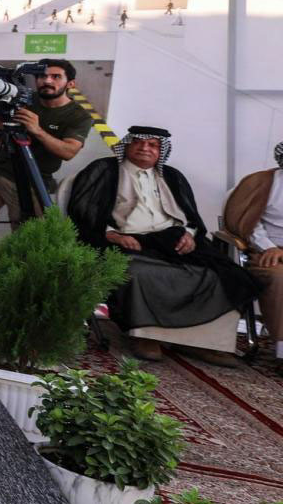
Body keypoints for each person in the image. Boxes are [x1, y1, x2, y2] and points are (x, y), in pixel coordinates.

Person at [67, 126, 260, 364]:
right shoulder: (104, 170)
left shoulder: (172, 176)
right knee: (140, 271)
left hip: (172, 240)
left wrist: (189, 234)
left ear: (161, 151)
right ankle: (146, 336)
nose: (145, 148)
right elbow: (82, 211)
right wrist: (112, 235)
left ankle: (203, 342)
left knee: (226, 275)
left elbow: (191, 217)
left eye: (153, 145)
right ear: (127, 145)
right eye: (138, 142)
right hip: (126, 240)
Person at [0, 59, 92, 280]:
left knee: (26, 237)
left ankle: (18, 285)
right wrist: (7, 121)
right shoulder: (24, 98)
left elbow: (68, 151)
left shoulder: (78, 115)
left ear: (70, 83)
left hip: (32, 181)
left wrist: (37, 130)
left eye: (56, 77)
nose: (47, 81)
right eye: (42, 76)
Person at [225, 142, 283, 342]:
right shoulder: (262, 183)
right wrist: (269, 247)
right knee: (279, 278)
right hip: (267, 253)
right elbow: (247, 223)